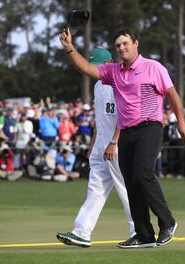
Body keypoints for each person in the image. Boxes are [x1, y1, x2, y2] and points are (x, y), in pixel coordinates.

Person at [60, 28, 185, 248]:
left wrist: (182, 122)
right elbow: (86, 68)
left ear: (135, 43)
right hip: (127, 131)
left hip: (150, 126)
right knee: (130, 183)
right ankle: (144, 234)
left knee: (142, 174)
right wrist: (70, 48)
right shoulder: (114, 72)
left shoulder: (153, 67)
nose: (122, 48)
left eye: (125, 43)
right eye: (118, 45)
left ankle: (168, 223)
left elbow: (172, 94)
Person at [57, 48, 135, 247]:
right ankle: (82, 231)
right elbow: (100, 117)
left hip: (117, 145)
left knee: (126, 189)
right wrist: (94, 143)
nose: (94, 70)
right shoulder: (99, 85)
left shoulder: (119, 82)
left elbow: (124, 116)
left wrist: (114, 141)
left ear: (108, 63)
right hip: (101, 144)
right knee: (95, 189)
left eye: (97, 65)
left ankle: (140, 230)